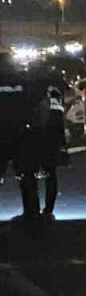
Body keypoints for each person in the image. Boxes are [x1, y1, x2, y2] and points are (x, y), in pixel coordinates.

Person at [16, 65, 67, 222]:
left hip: (33, 137)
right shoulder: (55, 92)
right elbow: (59, 114)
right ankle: (48, 209)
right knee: (50, 174)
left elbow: (25, 114)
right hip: (51, 138)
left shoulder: (29, 89)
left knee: (29, 173)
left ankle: (32, 209)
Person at [0, 49, 33, 215]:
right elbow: (29, 105)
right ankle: (31, 211)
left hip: (2, 133)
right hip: (20, 132)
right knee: (26, 174)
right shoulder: (22, 80)